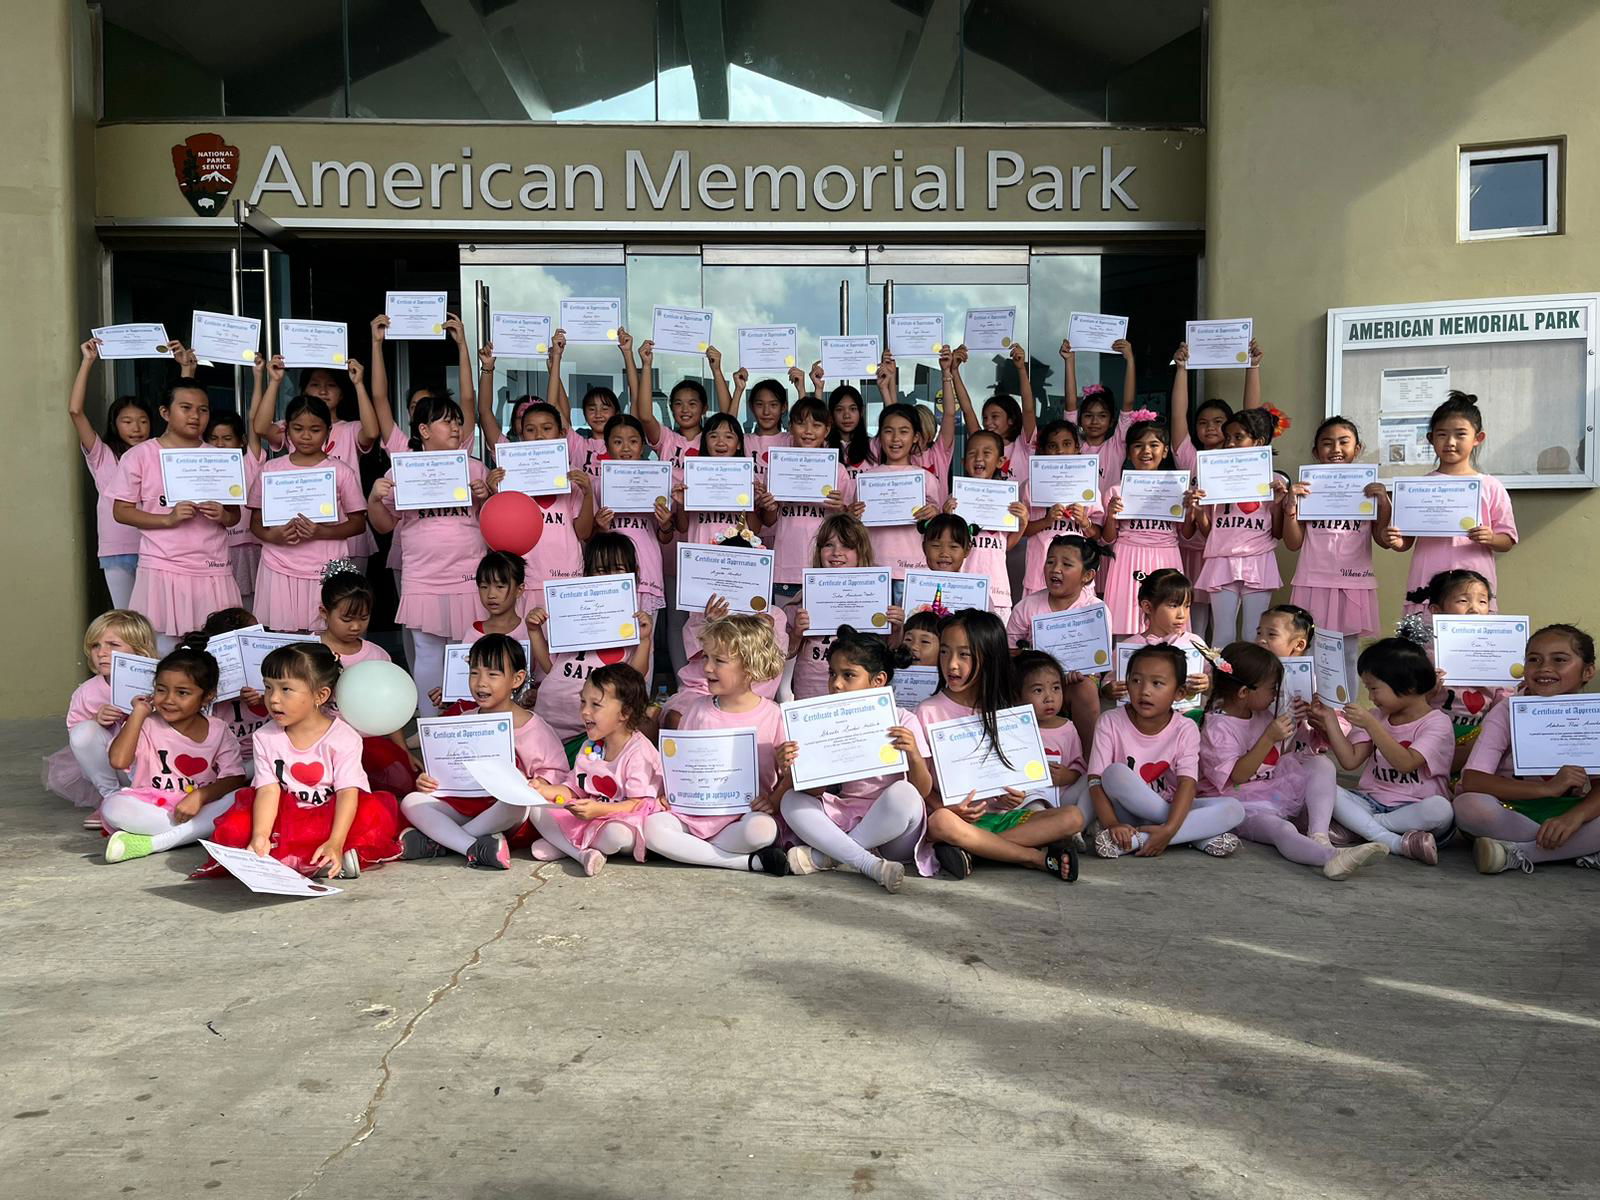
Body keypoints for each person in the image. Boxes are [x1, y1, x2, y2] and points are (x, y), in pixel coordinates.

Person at [201, 642, 402, 878]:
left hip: (334, 813)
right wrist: (260, 835)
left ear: (320, 695)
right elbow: (268, 790)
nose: (273, 699)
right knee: (239, 826)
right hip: (285, 815)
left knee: (369, 812)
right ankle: (300, 859)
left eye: (286, 689)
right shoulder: (265, 737)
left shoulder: (344, 737)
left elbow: (347, 792)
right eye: (268, 687)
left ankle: (333, 853)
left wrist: (336, 841)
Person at [914, 610, 1085, 879]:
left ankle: (975, 851)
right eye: (945, 652)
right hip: (955, 819)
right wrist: (945, 807)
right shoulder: (928, 711)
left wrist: (1012, 796)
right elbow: (919, 785)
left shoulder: (1005, 711)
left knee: (1073, 817)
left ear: (989, 659)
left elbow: (1010, 777)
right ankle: (1033, 857)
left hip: (1001, 818)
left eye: (964, 654)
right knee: (941, 823)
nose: (951, 664)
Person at [1199, 643, 1386, 880]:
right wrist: (1269, 737)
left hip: (1272, 788)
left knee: (1320, 764)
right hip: (1238, 802)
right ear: (1244, 692)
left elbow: (1278, 755)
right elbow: (1237, 776)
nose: (1275, 694)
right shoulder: (1218, 727)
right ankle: (1329, 858)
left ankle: (1319, 836)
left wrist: (1297, 721)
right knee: (1281, 829)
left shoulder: (1260, 713)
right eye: (1272, 688)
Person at [778, 627, 937, 890]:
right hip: (844, 815)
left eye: (848, 675)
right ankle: (868, 863)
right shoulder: (821, 722)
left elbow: (922, 790)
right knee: (792, 800)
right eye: (832, 673)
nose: (836, 684)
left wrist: (914, 756)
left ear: (878, 680)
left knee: (905, 793)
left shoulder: (903, 720)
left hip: (894, 831)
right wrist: (794, 767)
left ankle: (827, 857)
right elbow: (816, 791)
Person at [366, 394, 493, 717]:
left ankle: (468, 721)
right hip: (423, 577)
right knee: (427, 653)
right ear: (423, 430)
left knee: (468, 652)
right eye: (446, 421)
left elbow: (495, 527)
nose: (456, 427)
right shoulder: (402, 469)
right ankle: (430, 725)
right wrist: (374, 499)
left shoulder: (475, 468)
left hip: (469, 575)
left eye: (458, 421)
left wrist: (487, 498)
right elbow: (383, 525)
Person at [399, 635, 569, 870]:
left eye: (493, 674)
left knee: (516, 800)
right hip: (464, 805)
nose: (481, 683)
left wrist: (539, 783)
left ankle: (443, 842)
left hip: (505, 813)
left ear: (517, 679)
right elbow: (447, 767)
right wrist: (428, 781)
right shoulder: (464, 720)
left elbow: (557, 772)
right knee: (411, 802)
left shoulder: (533, 727)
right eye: (474, 673)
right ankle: (472, 847)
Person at [649, 615, 789, 874]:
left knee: (763, 830)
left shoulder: (773, 715)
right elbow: (681, 765)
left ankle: (693, 851)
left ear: (749, 667)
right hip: (693, 815)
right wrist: (670, 792)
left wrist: (774, 799)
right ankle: (746, 863)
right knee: (652, 828)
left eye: (719, 661)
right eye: (706, 657)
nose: (707, 668)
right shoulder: (696, 709)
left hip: (742, 818)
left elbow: (788, 775)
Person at [1455, 624, 1600, 874]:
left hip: (1567, 812)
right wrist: (1547, 788)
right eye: (1534, 659)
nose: (1544, 668)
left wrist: (1573, 818)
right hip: (1513, 809)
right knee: (1469, 806)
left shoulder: (1593, 713)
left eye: (1559, 660)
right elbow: (1473, 780)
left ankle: (1517, 853)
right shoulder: (1507, 710)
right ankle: (1579, 848)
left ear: (1587, 671)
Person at [109, 380, 242, 651]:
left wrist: (222, 515)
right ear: (165, 412)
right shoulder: (139, 456)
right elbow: (121, 511)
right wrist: (167, 519)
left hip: (212, 566)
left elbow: (234, 516)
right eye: (186, 408)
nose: (195, 416)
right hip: (162, 565)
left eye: (203, 410)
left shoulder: (219, 457)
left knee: (217, 650)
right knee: (161, 649)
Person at [1086, 644, 1244, 858]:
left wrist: (1169, 829)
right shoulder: (1110, 721)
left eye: (1157, 683)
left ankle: (1140, 840)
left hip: (1170, 807)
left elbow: (1187, 783)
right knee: (1114, 773)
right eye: (1136, 680)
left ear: (1179, 693)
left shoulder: (1185, 728)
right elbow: (1095, 781)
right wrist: (1112, 824)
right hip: (1125, 814)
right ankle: (1195, 834)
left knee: (1234, 808)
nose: (1145, 691)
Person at [1313, 635, 1455, 865]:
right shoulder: (1377, 716)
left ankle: (1362, 827)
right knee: (1324, 786)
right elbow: (1350, 761)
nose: (1370, 697)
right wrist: (1329, 719)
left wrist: (1371, 725)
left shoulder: (1437, 723)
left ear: (1408, 686)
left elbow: (1406, 763)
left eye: (1374, 688)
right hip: (1370, 801)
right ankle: (1393, 841)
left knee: (1441, 810)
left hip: (1415, 808)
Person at [101, 640, 248, 863]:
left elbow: (235, 777)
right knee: (113, 807)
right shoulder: (146, 724)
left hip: (199, 806)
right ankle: (192, 833)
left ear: (207, 696)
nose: (169, 700)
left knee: (241, 797)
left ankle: (153, 843)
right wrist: (138, 714)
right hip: (153, 807)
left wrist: (200, 796)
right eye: (161, 690)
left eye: (182, 693)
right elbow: (118, 761)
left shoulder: (218, 729)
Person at [522, 664, 665, 875]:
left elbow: (639, 805)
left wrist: (599, 810)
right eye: (583, 701)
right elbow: (574, 789)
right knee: (536, 808)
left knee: (617, 835)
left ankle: (567, 846)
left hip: (621, 820)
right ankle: (580, 852)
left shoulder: (639, 752)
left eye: (595, 705)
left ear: (625, 712)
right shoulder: (590, 745)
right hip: (589, 816)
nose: (585, 711)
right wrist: (543, 790)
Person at [1381, 391, 1517, 611]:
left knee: (1471, 632)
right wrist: (1394, 540)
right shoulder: (1417, 488)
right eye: (1442, 434)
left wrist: (1490, 537)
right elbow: (1404, 542)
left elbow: (1508, 540)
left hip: (1474, 587)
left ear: (1478, 438)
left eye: (1460, 434)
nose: (1450, 442)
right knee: (1426, 632)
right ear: (1430, 438)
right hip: (1427, 583)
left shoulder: (1491, 486)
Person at [1168, 338, 1264, 640]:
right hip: (1193, 550)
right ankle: (1198, 668)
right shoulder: (1189, 457)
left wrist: (1253, 367)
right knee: (1194, 625)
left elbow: (1252, 416)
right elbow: (1178, 416)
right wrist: (1181, 370)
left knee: (1225, 626)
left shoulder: (1243, 457)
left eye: (1219, 422)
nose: (1210, 427)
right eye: (1203, 422)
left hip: (1228, 552)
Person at [1283, 416, 1390, 685]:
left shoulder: (1367, 489)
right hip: (1313, 580)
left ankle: (1346, 709)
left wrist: (1384, 504)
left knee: (1348, 655)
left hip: (1352, 582)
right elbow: (1293, 543)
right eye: (1327, 443)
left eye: (1344, 442)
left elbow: (1382, 539)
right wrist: (1291, 507)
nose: (1336, 449)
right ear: (1316, 451)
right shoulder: (1307, 489)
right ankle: (1311, 707)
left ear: (1358, 448)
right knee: (1309, 650)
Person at [247, 396, 368, 632]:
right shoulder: (270, 469)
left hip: (326, 567)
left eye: (315, 429)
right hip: (279, 565)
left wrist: (321, 531)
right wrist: (272, 536)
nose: (306, 436)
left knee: (325, 635)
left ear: (328, 431)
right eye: (298, 428)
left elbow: (358, 523)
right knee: (284, 638)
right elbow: (255, 521)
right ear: (286, 430)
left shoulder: (341, 471)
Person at [528, 534, 655, 745]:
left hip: (594, 729)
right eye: (601, 571)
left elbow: (636, 676)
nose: (609, 578)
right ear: (587, 575)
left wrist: (644, 640)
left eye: (618, 570)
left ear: (635, 574)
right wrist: (534, 631)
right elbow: (551, 667)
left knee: (646, 725)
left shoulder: (637, 624)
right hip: (549, 719)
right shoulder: (572, 612)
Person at [67, 337, 159, 608]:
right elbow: (75, 411)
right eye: (127, 421)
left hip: (156, 548)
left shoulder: (157, 453)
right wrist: (88, 361)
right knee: (127, 619)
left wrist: (187, 370)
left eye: (143, 421)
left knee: (156, 619)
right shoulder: (102, 455)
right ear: (114, 424)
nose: (136, 428)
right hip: (116, 550)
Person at [45, 610, 158, 819]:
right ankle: (112, 799)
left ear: (140, 650)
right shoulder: (87, 692)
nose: (101, 652)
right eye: (95, 645)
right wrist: (96, 721)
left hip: (159, 770)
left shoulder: (161, 682)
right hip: (116, 770)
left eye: (113, 645)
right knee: (84, 731)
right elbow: (78, 738)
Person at [1193, 408, 1287, 647]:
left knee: (1253, 633)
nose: (1231, 443)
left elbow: (1278, 533)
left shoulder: (1276, 481)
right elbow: (1210, 533)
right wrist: (1197, 509)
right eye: (1228, 438)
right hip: (1221, 559)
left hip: (1258, 559)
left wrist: (1278, 503)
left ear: (1259, 442)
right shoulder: (1214, 479)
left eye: (1239, 437)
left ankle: (1253, 673)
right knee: (1222, 634)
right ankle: (1221, 673)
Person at [756, 395, 856, 612]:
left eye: (816, 425)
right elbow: (769, 521)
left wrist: (840, 508)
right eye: (801, 423)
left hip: (826, 567)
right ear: (790, 427)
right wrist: (770, 507)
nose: (808, 431)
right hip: (786, 569)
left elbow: (848, 523)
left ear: (827, 430)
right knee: (786, 628)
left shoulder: (838, 471)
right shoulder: (777, 467)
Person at [493, 399, 594, 612]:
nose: (538, 436)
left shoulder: (574, 476)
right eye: (530, 430)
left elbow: (583, 533)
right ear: (521, 434)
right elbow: (502, 533)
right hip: (524, 578)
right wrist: (494, 493)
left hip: (566, 576)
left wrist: (587, 494)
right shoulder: (509, 476)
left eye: (547, 429)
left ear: (561, 433)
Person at [1006, 535, 1105, 751]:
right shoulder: (1027, 606)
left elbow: (1096, 661)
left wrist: (1077, 674)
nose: (1055, 569)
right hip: (1033, 681)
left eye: (1066, 564)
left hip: (1077, 680)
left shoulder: (1095, 609)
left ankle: (1090, 760)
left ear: (1087, 576)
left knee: (1086, 687)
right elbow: (1011, 653)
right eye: (1050, 562)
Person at [1098, 416, 1194, 637]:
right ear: (1128, 452)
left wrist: (1192, 511)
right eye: (1138, 446)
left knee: (1169, 619)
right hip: (1127, 556)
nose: (1146, 451)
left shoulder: (1177, 488)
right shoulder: (1116, 490)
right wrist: (1111, 515)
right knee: (1126, 624)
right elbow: (1108, 539)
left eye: (1154, 445)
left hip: (1166, 555)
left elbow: (1187, 535)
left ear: (1165, 451)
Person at [788, 515, 901, 702]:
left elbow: (889, 650)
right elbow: (787, 653)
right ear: (819, 550)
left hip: (858, 691)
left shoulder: (879, 595)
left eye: (847, 546)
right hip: (810, 686)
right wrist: (797, 634)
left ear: (861, 552)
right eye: (828, 545)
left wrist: (896, 629)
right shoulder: (803, 598)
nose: (836, 553)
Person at [591, 413, 673, 617]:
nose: (626, 448)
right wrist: (598, 527)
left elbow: (665, 537)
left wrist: (665, 524)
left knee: (645, 634)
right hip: (609, 571)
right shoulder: (596, 485)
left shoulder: (657, 482)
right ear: (607, 446)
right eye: (618, 442)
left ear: (643, 446)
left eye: (633, 441)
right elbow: (587, 536)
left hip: (646, 571)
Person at [950, 430, 1028, 624]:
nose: (979, 458)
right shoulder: (955, 499)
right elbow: (948, 541)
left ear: (1000, 461)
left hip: (996, 588)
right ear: (963, 461)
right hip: (962, 585)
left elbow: (1006, 545)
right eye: (972, 453)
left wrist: (1023, 522)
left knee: (994, 638)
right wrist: (947, 515)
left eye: (986, 453)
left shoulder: (1007, 500)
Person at [1019, 417, 1101, 597]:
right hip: (1040, 571)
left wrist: (1085, 522)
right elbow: (1022, 531)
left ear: (1077, 448)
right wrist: (1046, 521)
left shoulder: (1088, 486)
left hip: (1077, 575)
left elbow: (1098, 535)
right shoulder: (1031, 486)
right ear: (1044, 451)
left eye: (1067, 444)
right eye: (1052, 446)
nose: (1060, 451)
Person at [1112, 569, 1212, 716]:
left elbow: (1214, 681)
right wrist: (1109, 689)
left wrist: (1207, 683)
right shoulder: (1129, 646)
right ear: (1147, 607)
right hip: (1139, 720)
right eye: (1173, 605)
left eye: (1187, 606)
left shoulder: (1195, 643)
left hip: (1186, 718)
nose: (1182, 614)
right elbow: (1109, 682)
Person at [1061, 335, 1137, 495]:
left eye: (1102, 416)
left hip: (1109, 511)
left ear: (1111, 421)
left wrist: (1130, 359)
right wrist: (1069, 360)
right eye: (1088, 415)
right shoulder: (1074, 444)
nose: (1094, 421)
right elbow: (1070, 404)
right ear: (1079, 420)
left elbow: (1128, 404)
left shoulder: (1116, 446)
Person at [673, 412, 761, 545]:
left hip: (737, 551)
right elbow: (682, 528)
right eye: (713, 436)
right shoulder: (693, 476)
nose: (720, 442)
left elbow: (755, 529)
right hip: (701, 549)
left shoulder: (748, 478)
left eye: (728, 437)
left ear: (738, 444)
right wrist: (680, 505)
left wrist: (752, 503)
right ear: (705, 442)